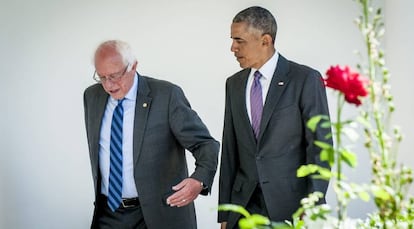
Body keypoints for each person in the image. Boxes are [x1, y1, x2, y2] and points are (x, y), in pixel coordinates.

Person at [84, 40, 219, 229]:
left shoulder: (166, 96)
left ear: (133, 66)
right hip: (108, 214)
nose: (108, 85)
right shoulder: (92, 96)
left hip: (157, 215)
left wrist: (199, 179)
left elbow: (205, 144)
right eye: (102, 77)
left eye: (114, 76)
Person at [218, 6, 332, 229]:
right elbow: (230, 149)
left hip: (291, 207)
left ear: (265, 40)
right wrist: (224, 212)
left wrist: (313, 206)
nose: (233, 47)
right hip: (242, 208)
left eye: (239, 40)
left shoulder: (305, 79)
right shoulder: (234, 84)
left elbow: (320, 146)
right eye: (232, 40)